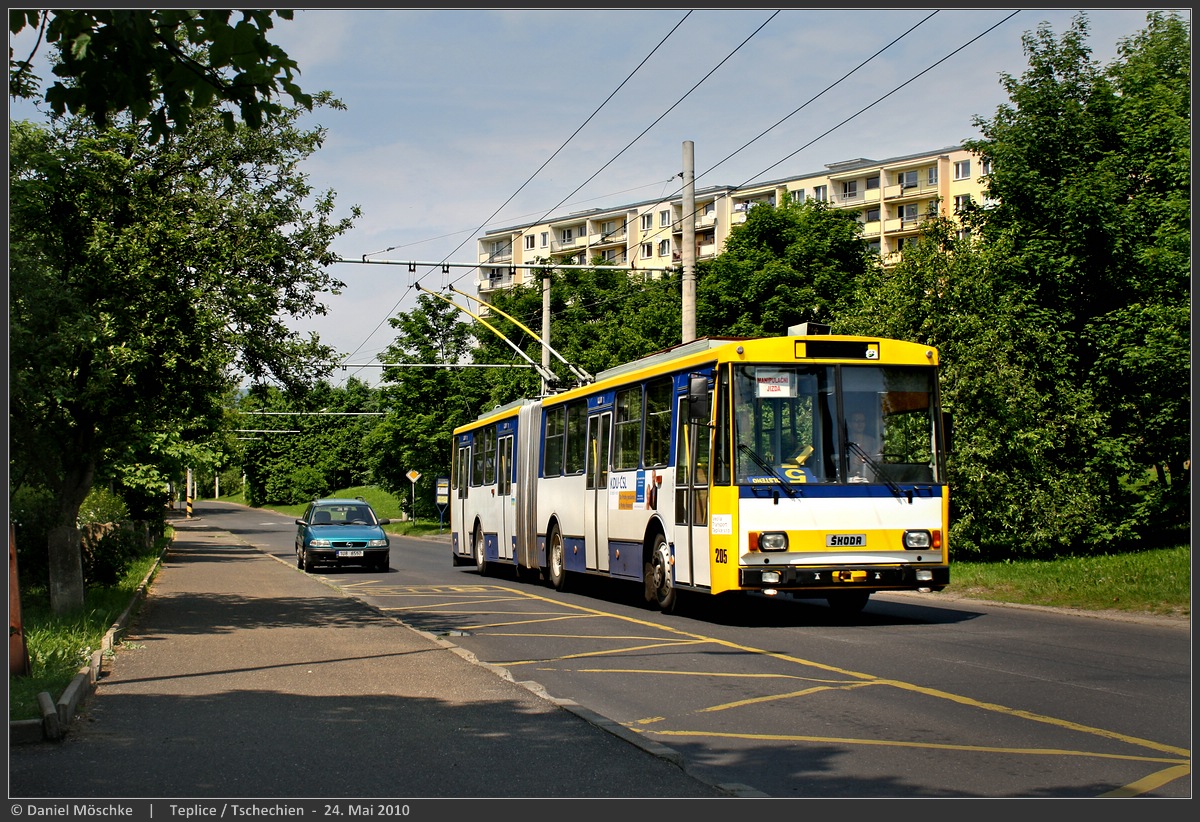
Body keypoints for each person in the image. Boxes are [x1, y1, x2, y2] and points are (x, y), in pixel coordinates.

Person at [847, 411, 878, 480]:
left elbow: (877, 462)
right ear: (849, 424)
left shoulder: (872, 442)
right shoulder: (844, 443)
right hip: (850, 483)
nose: (860, 424)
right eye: (856, 421)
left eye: (862, 421)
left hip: (870, 483)